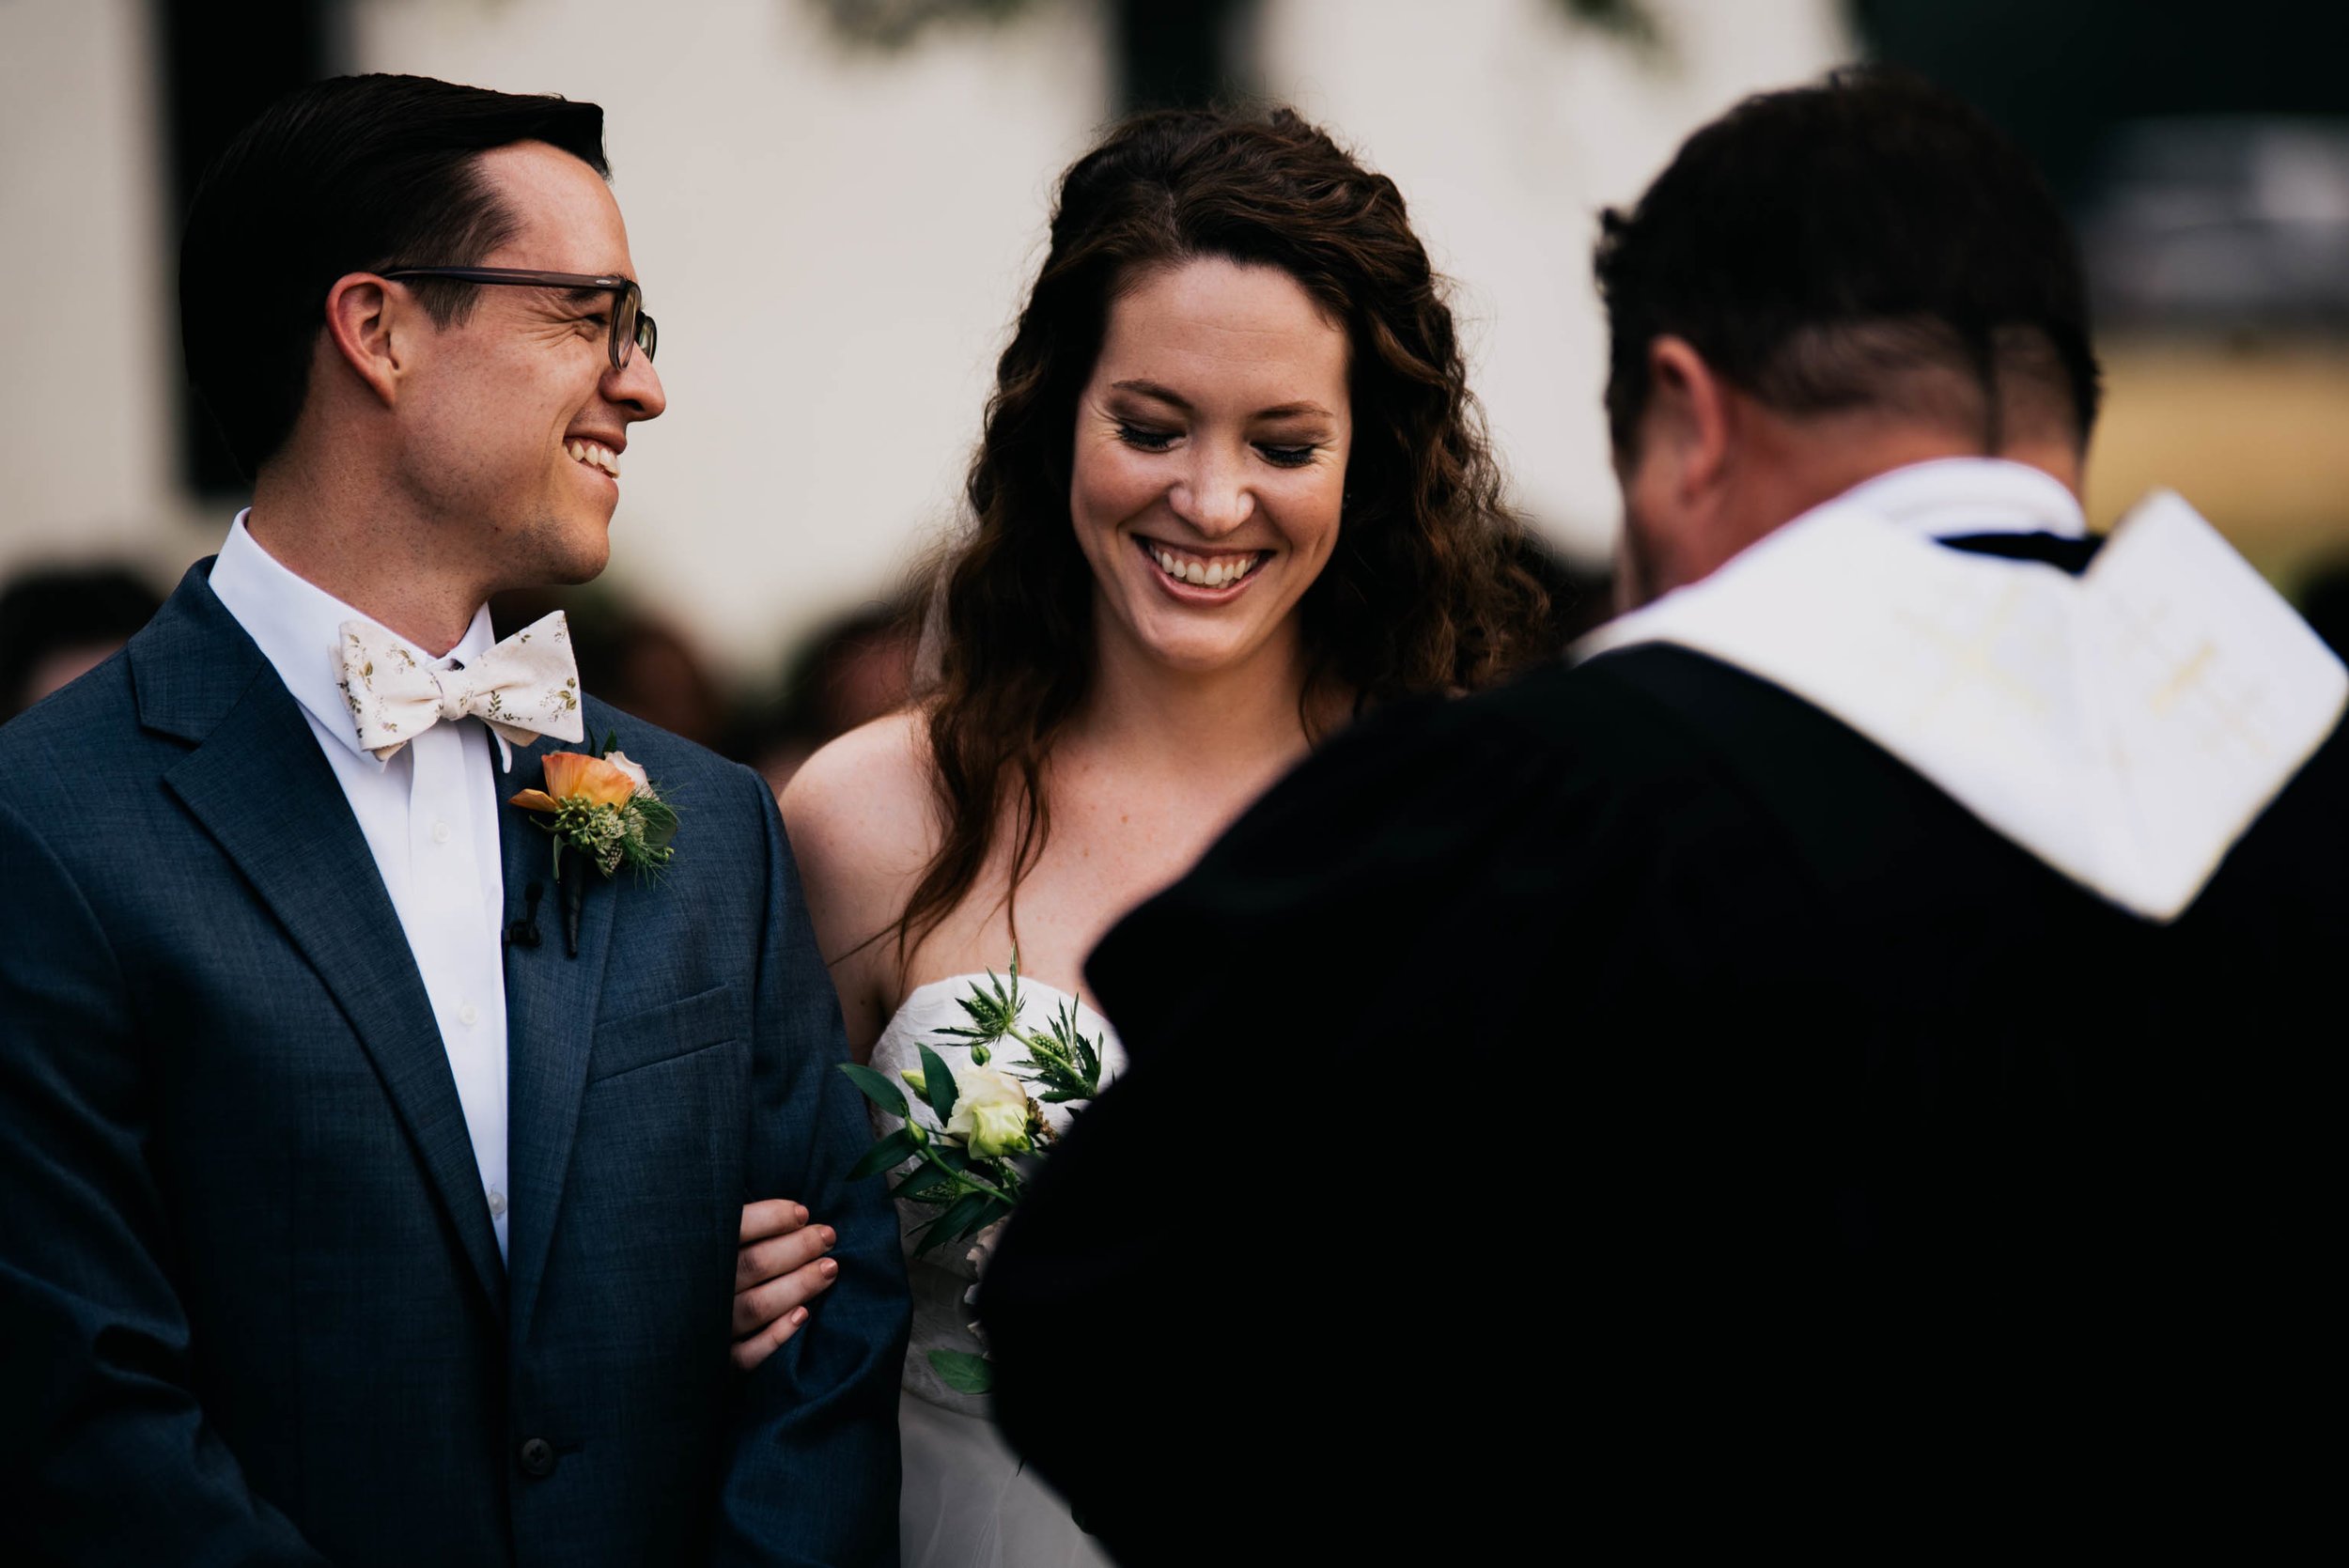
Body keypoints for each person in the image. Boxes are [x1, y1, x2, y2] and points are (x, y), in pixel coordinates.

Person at [978, 68, 2347, 1556]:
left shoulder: (1546, 816)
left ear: (1684, 419)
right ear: (2056, 404)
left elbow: (1119, 1342)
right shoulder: (2302, 768)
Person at [0, 74, 905, 1564]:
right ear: (380, 330)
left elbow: (833, 1329)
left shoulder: (715, 827)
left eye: (640, 332)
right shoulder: (50, 831)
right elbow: (84, 1413)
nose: (643, 384)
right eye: (588, 317)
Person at [772, 106, 1551, 1567]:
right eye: (1149, 426)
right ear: (1057, 415)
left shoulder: (1483, 827)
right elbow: (767, 1283)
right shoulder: (868, 822)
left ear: (1367, 464)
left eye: (1284, 442)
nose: (1209, 499)